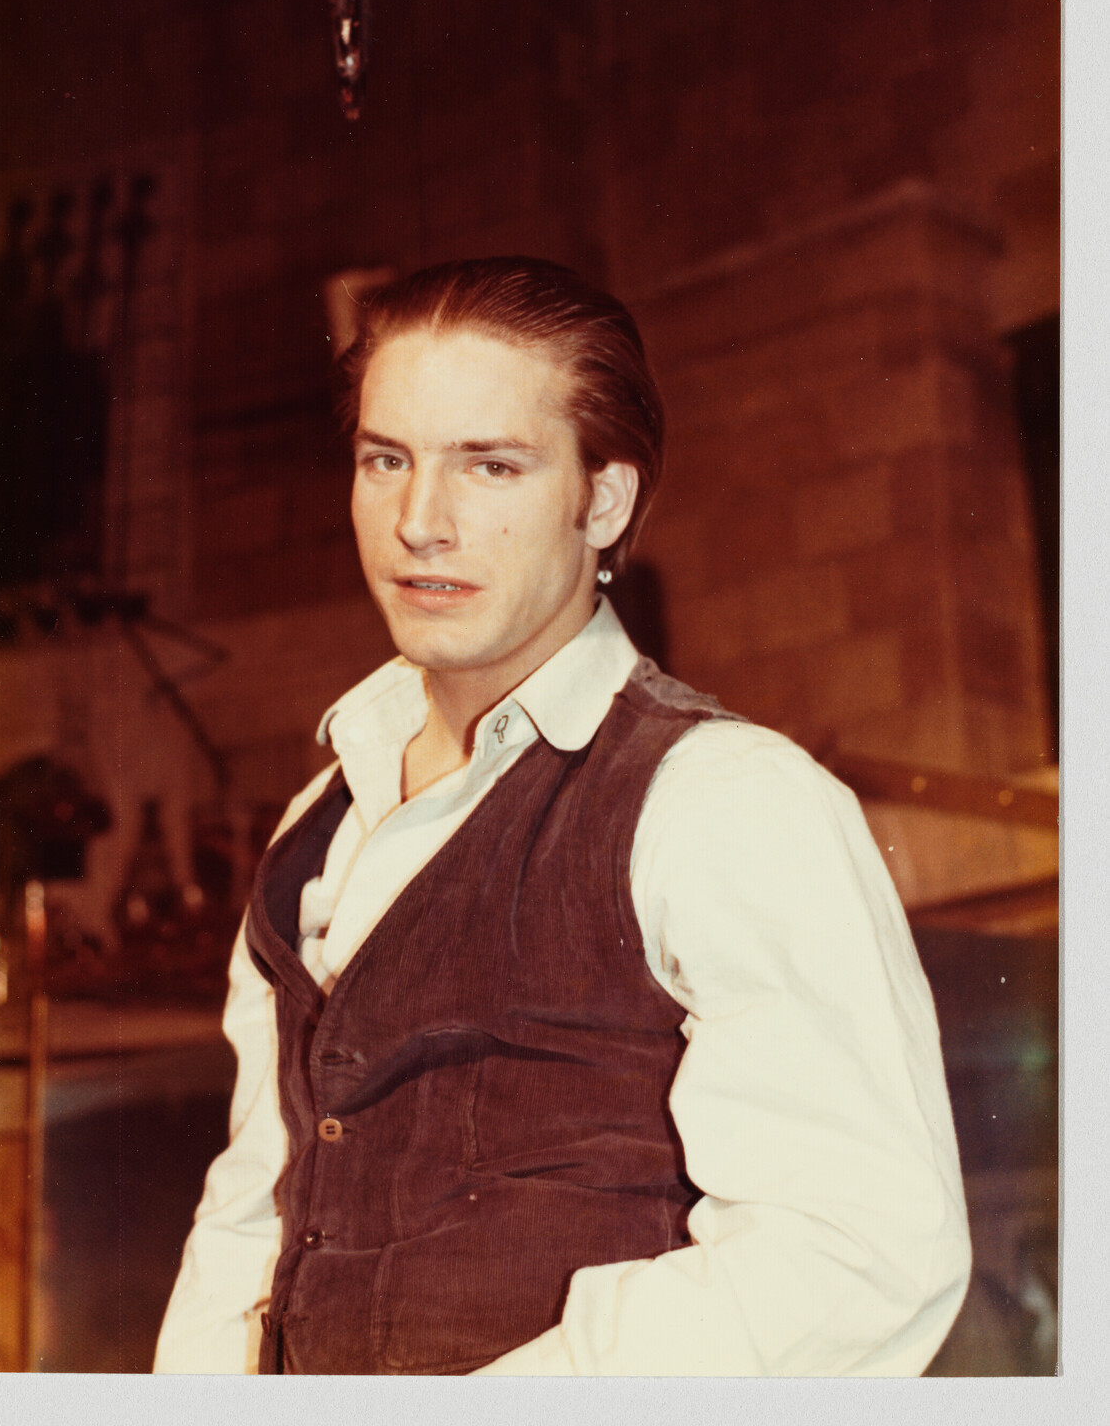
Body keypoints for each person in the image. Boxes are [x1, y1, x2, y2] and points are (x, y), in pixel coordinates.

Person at [154, 257, 970, 1376]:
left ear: (604, 500)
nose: (419, 523)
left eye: (490, 466)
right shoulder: (322, 811)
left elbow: (859, 1253)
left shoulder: (723, 799)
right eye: (384, 459)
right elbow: (256, 1210)